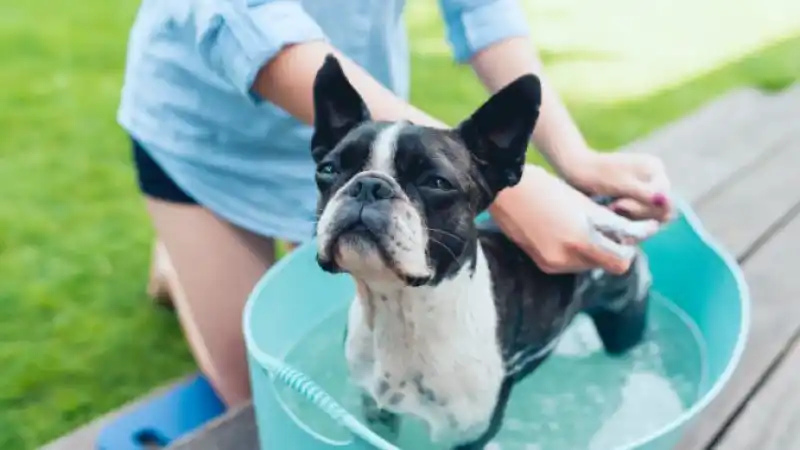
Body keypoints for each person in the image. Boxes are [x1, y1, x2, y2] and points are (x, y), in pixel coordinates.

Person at [119, 0, 673, 407]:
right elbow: (245, 20)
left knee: (363, 294)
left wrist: (573, 156)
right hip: (210, 139)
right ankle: (183, 254)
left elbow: (481, 8)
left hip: (365, 131)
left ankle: (189, 260)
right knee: (262, 396)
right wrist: (499, 185)